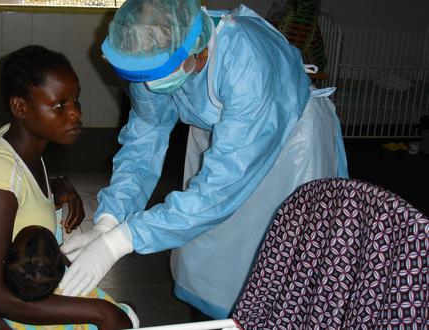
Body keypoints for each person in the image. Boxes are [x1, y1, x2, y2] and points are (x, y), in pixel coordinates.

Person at [59, 0, 349, 320]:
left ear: (197, 50)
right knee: (210, 253)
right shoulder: (149, 55)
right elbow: (143, 143)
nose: (150, 86)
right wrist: (109, 221)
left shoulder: (247, 61)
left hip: (287, 147)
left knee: (279, 256)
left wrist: (121, 241)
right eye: (144, 76)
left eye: (161, 74)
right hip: (216, 135)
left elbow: (221, 188)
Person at [0, 45, 132, 330]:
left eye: (76, 100)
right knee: (112, 316)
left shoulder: (17, 146)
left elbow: (20, 187)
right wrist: (100, 312)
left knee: (120, 314)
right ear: (20, 107)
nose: (75, 114)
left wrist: (55, 183)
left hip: (11, 307)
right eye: (60, 105)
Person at [0, 225, 139, 330]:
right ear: (60, 266)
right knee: (130, 308)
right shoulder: (66, 277)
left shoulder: (4, 304)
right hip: (118, 320)